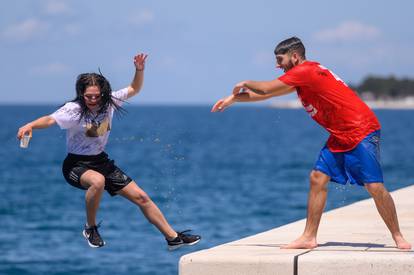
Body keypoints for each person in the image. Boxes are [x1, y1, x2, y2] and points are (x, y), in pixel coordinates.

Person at [211, 37, 411, 250]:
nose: (277, 65)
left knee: (373, 185)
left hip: (362, 129)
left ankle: (398, 236)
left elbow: (267, 88)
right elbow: (267, 94)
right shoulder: (303, 76)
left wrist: (244, 82)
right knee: (317, 178)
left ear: (295, 57)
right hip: (340, 134)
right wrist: (232, 99)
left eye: (280, 59)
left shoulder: (305, 71)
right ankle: (309, 236)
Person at [17, 53, 201, 250]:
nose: (93, 100)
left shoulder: (110, 102)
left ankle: (172, 238)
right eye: (89, 96)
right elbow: (50, 119)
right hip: (76, 165)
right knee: (98, 181)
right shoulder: (73, 110)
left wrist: (139, 70)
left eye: (97, 96)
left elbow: (134, 88)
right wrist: (30, 125)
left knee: (142, 197)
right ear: (81, 94)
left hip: (101, 162)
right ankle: (91, 228)